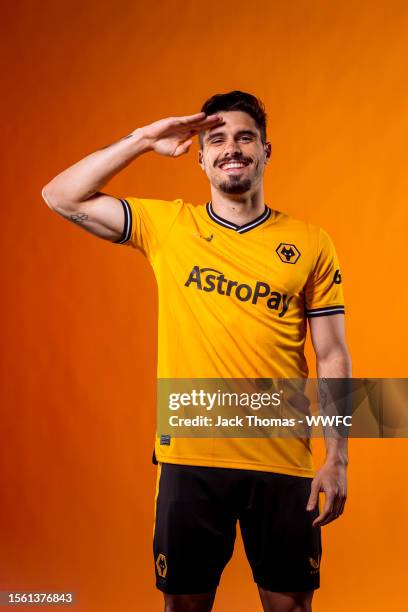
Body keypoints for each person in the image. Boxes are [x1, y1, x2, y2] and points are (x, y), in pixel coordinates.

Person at [42, 90, 351, 612]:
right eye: (217, 140)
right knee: (183, 608)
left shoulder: (312, 242)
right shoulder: (169, 226)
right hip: (189, 457)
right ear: (201, 157)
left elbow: (334, 356)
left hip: (282, 458)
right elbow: (59, 195)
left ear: (266, 151)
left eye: (245, 137)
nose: (232, 148)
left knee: (293, 607)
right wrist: (142, 140)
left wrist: (338, 458)